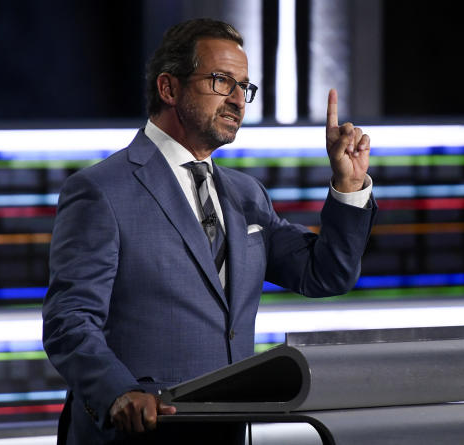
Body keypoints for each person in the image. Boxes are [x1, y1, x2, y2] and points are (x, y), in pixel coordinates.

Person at [43, 18, 377, 445]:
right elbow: (69, 321)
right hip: (138, 434)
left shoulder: (246, 194)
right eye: (222, 82)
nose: (239, 99)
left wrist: (348, 186)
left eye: (245, 87)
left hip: (227, 431)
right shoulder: (101, 191)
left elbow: (324, 274)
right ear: (169, 88)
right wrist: (119, 393)